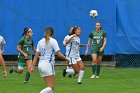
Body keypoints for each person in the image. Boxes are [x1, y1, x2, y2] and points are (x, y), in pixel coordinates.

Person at [32, 27, 69, 93]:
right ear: (52, 33)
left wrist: (32, 66)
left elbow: (36, 56)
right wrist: (67, 59)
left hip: (40, 65)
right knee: (51, 87)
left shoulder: (40, 41)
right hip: (48, 64)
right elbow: (59, 54)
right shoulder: (53, 41)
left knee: (49, 87)